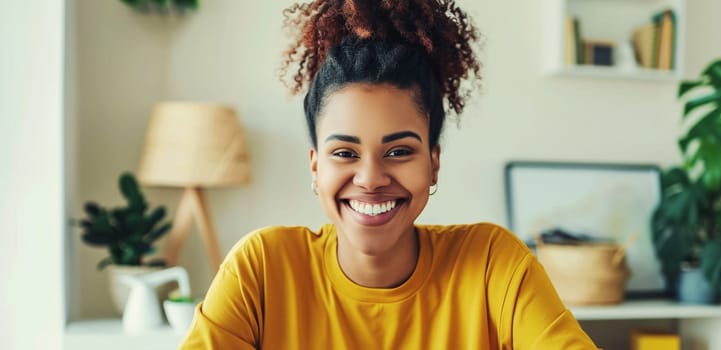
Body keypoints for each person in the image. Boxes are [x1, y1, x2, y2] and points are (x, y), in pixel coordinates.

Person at [180, 0, 597, 349]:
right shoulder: (263, 269)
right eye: (345, 152)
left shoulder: (493, 264)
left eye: (398, 151)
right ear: (316, 167)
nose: (371, 177)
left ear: (433, 163)